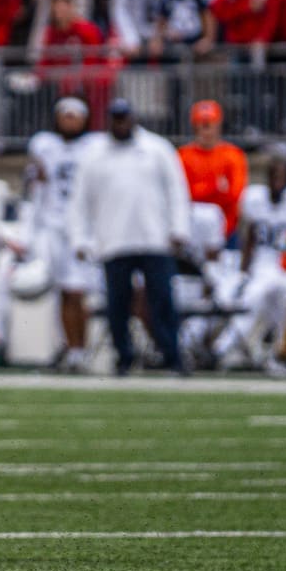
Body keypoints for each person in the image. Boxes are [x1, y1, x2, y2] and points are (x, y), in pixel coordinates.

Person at [71, 99, 191, 374]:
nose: (121, 123)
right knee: (118, 303)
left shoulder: (157, 149)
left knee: (162, 299)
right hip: (113, 238)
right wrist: (80, 238)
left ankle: (171, 354)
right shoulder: (94, 154)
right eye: (116, 118)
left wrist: (179, 228)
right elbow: (80, 201)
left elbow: (177, 191)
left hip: (155, 237)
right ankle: (124, 356)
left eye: (124, 117)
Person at [25, 97, 100, 371]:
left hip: (83, 228)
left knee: (77, 290)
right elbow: (36, 184)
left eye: (75, 115)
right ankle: (71, 348)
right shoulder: (45, 144)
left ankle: (80, 349)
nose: (70, 120)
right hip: (53, 225)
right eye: (65, 115)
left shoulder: (95, 146)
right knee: (63, 290)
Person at [212, 149, 286, 371]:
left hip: (285, 267)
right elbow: (250, 238)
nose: (277, 181)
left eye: (281, 176)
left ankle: (284, 352)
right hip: (262, 266)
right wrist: (244, 272)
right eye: (273, 176)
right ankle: (223, 348)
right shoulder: (256, 199)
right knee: (252, 299)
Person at [177, 100, 248, 243]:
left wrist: (201, 190)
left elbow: (235, 194)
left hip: (226, 230)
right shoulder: (183, 155)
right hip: (193, 231)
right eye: (202, 125)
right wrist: (214, 187)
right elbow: (182, 193)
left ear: (218, 126)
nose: (206, 131)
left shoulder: (233, 155)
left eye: (209, 125)